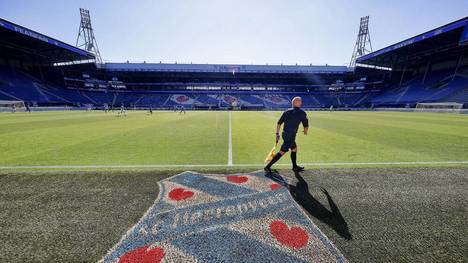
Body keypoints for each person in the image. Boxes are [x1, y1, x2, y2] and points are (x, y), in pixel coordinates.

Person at [264, 96, 309, 173]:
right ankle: (267, 167)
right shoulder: (302, 113)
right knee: (282, 152)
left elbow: (279, 123)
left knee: (294, 149)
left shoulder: (286, 112)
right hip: (290, 136)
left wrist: (277, 134)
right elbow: (306, 125)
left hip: (285, 134)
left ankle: (295, 167)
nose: (301, 103)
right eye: (300, 101)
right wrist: (305, 131)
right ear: (297, 103)